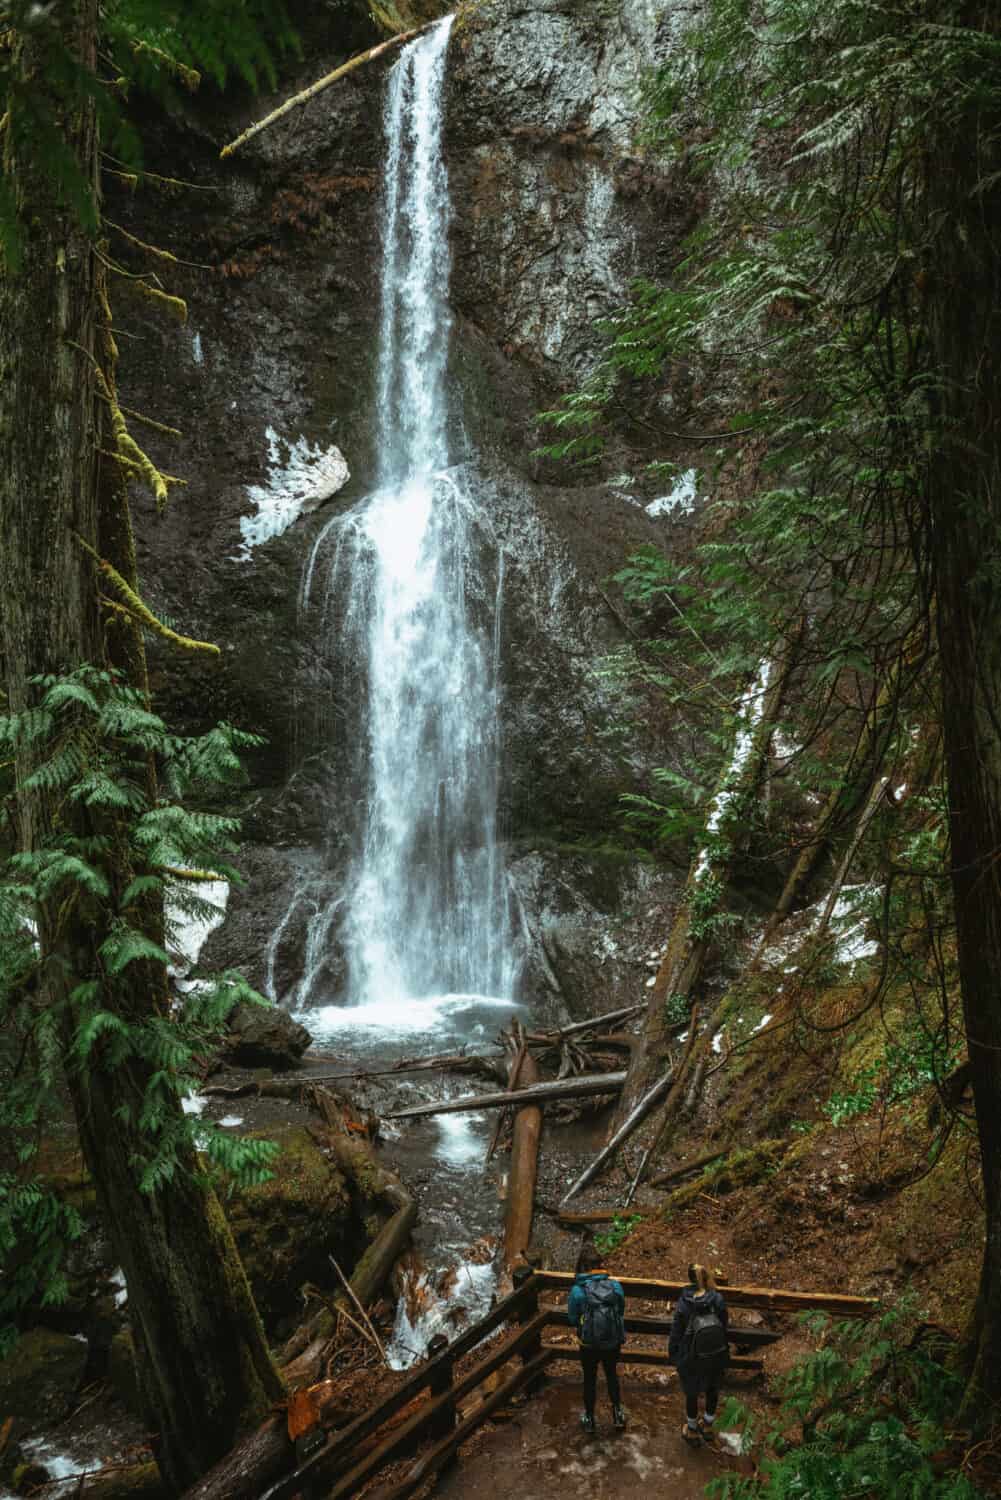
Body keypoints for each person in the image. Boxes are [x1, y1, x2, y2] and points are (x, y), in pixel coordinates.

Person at [567, 1244, 627, 1435]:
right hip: (612, 1341)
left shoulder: (578, 1290)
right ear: (601, 1264)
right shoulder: (615, 1286)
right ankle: (617, 1413)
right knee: (611, 1375)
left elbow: (572, 1318)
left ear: (583, 1266)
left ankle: (590, 1419)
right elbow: (621, 1310)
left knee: (589, 1380)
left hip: (589, 1344)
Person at [668, 1261, 729, 1445]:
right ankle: (708, 1426)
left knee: (692, 1392)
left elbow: (676, 1331)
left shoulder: (684, 1302)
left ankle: (692, 1429)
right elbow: (724, 1325)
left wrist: (673, 1354)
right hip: (715, 1353)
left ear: (689, 1279)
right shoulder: (717, 1299)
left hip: (691, 1356)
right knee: (712, 1389)